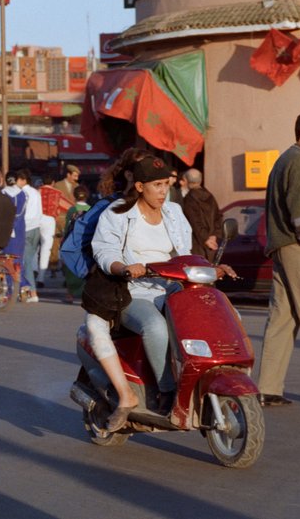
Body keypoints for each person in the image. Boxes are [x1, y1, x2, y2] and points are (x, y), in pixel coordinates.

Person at [89, 155, 193, 429]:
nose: (162, 191)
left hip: (173, 287)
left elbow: (186, 253)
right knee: (155, 327)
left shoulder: (174, 212)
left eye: (166, 185)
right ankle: (166, 390)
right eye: (156, 185)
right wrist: (122, 267)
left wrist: (212, 268)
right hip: (134, 291)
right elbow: (104, 249)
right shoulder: (118, 213)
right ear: (139, 186)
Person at [257, 110, 300, 406]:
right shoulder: (298, 162)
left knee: (282, 319)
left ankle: (268, 388)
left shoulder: (286, 159)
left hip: (283, 247)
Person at [181, 168, 223, 261]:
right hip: (211, 246)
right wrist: (213, 236)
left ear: (187, 180)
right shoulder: (210, 196)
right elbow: (218, 217)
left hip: (197, 246)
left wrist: (206, 239)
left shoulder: (189, 199)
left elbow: (195, 222)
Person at [16, 169, 42, 303]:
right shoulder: (36, 192)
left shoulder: (22, 193)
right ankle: (28, 291)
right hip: (36, 228)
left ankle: (32, 292)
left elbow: (20, 213)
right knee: (30, 261)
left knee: (26, 263)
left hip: (26, 228)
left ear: (22, 180)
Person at [62, 184, 91, 303]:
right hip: (86, 242)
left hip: (72, 241)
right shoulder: (91, 209)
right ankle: (85, 294)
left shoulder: (71, 210)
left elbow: (67, 227)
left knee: (70, 267)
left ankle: (70, 294)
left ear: (74, 196)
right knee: (85, 267)